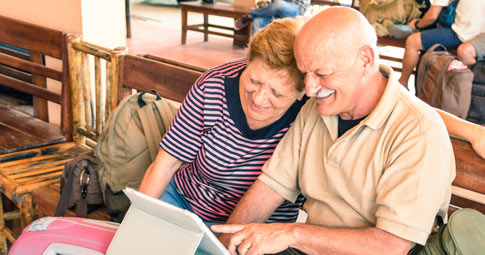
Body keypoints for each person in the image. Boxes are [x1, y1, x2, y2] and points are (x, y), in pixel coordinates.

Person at [212, 7, 457, 255]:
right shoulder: (317, 110)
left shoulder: (419, 130)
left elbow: (391, 246)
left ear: (366, 61)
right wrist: (223, 247)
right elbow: (270, 187)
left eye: (321, 73)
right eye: (305, 73)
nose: (309, 89)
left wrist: (292, 233)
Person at [138, 18, 307, 226]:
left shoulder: (310, 112)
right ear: (247, 62)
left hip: (258, 227)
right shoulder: (213, 85)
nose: (259, 98)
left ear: (303, 91)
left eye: (277, 93)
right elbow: (166, 164)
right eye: (254, 80)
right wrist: (137, 223)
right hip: (186, 203)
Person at [399, 0, 485, 88]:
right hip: (480, 38)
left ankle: (402, 83)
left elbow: (432, 16)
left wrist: (416, 25)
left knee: (412, 41)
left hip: (462, 34)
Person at [234, 0, 311, 35]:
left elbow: (300, 7)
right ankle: (254, 55)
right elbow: (273, 3)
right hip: (277, 14)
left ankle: (251, 15)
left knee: (279, 4)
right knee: (258, 21)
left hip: (296, 12)